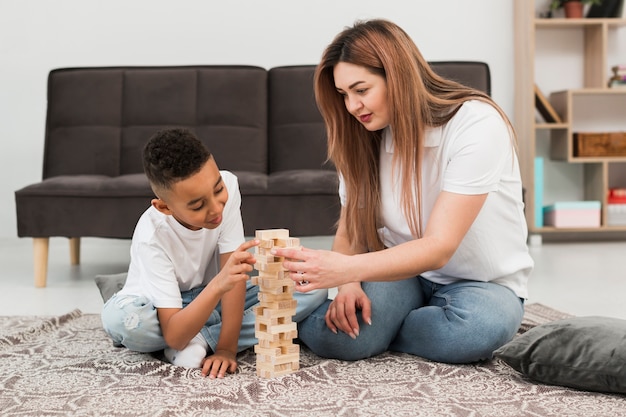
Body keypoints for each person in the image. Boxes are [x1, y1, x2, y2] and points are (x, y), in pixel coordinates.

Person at [271, 19, 534, 364]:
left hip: (484, 283)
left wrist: (346, 271)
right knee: (344, 339)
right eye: (344, 95)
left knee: (473, 331)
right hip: (403, 275)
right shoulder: (365, 137)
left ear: (397, 75)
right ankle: (363, 325)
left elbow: (439, 247)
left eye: (361, 90)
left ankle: (384, 331)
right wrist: (347, 287)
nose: (351, 107)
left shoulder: (477, 125)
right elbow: (351, 231)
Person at [101, 128, 327, 378]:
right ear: (164, 207)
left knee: (312, 285)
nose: (216, 208)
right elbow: (175, 336)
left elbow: (235, 278)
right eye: (198, 205)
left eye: (218, 189)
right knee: (129, 324)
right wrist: (219, 285)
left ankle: (202, 337)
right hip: (160, 305)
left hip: (212, 297)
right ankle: (122, 291)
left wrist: (226, 349)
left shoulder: (229, 185)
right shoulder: (152, 236)